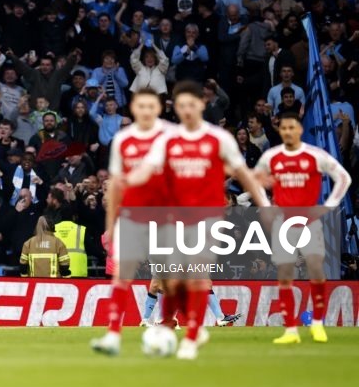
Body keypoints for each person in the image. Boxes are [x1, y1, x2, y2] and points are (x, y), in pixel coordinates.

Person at [124, 81, 270, 360]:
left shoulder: (219, 139)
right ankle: (176, 324)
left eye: (192, 104)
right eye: (181, 105)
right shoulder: (167, 141)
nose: (187, 110)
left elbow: (243, 173)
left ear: (202, 105)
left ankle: (193, 329)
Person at [254, 113, 352, 344]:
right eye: (284, 128)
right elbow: (254, 180)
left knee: (316, 270)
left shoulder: (314, 155)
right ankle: (290, 331)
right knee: (285, 274)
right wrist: (266, 206)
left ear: (299, 130)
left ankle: (317, 323)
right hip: (283, 222)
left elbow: (344, 178)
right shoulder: (271, 156)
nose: (288, 131)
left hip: (309, 221)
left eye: (292, 127)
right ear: (280, 131)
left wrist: (327, 207)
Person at [90, 88, 170, 356]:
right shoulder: (124, 141)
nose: (146, 111)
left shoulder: (169, 137)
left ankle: (168, 322)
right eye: (141, 106)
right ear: (134, 109)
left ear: (157, 108)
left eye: (151, 106)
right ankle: (113, 334)